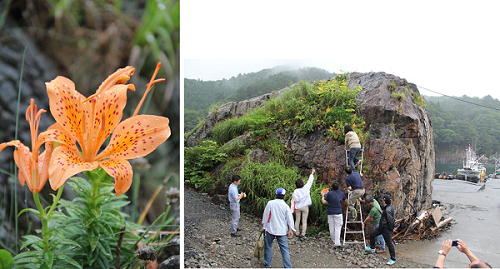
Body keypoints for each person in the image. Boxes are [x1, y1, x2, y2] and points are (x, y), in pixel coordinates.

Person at [262, 187, 295, 268]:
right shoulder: (285, 206)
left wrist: (264, 226)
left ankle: (268, 263)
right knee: (284, 249)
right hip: (282, 231)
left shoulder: (270, 203)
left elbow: (266, 215)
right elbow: (289, 219)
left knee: (268, 246)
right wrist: (291, 229)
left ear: (276, 195)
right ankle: (287, 266)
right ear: (284, 196)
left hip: (270, 229)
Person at [365, 194, 396, 265]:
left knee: (389, 243)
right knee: (372, 234)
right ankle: (372, 248)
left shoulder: (388, 209)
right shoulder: (386, 207)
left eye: (382, 200)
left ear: (385, 201)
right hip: (381, 227)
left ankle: (393, 259)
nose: (382, 201)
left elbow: (390, 220)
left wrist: (392, 228)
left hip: (386, 229)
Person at [292, 168, 315, 239]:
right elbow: (310, 181)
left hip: (298, 207)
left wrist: (293, 196)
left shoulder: (296, 191)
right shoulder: (306, 188)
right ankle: (303, 234)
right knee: (304, 220)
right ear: (302, 183)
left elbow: (296, 199)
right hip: (305, 207)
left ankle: (297, 232)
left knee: (297, 220)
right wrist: (312, 173)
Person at [321, 181, 346, 248]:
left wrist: (323, 195)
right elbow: (345, 200)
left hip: (330, 212)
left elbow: (324, 202)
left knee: (331, 228)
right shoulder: (341, 193)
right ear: (339, 187)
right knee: (338, 227)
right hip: (338, 212)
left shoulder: (329, 194)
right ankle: (337, 243)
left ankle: (334, 241)